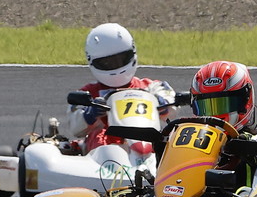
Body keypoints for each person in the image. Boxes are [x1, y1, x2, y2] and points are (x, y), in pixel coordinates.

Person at [66, 22, 179, 153]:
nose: (115, 65)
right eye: (107, 62)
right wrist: (90, 114)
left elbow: (169, 99)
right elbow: (75, 127)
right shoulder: (88, 94)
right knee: (98, 136)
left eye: (121, 59)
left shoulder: (150, 87)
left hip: (147, 143)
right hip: (104, 152)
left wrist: (163, 103)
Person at [189, 61, 257, 186]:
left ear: (245, 100)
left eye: (222, 105)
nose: (214, 115)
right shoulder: (190, 142)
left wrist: (246, 153)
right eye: (207, 107)